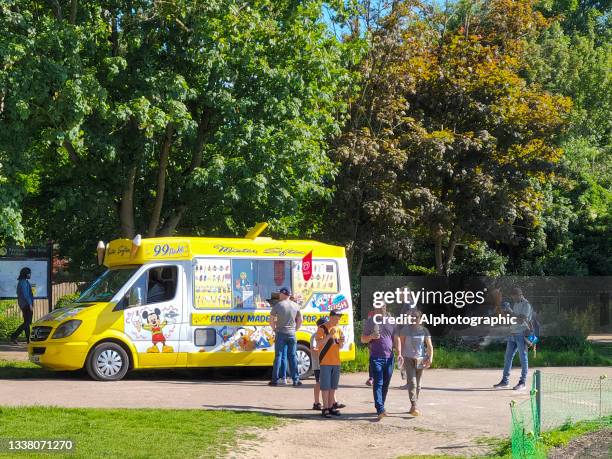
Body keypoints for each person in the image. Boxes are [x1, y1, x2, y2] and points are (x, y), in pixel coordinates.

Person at [361, 303, 402, 420]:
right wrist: (371, 337)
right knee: (378, 383)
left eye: (383, 306)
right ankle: (380, 409)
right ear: (375, 309)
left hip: (389, 358)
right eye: (379, 307)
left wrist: (399, 353)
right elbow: (363, 339)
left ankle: (381, 406)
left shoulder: (391, 321)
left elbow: (396, 338)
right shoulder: (370, 322)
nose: (382, 309)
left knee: (385, 384)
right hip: (376, 357)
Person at [494, 287, 532, 391]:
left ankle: (522, 383)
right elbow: (514, 319)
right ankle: (505, 381)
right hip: (512, 334)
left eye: (515, 297)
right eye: (512, 297)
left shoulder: (526, 305)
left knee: (523, 359)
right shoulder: (515, 303)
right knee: (507, 358)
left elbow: (521, 320)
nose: (513, 299)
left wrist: (510, 310)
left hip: (522, 335)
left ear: (520, 295)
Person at [399, 308, 433, 416]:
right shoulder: (405, 330)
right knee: (412, 382)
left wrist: (430, 358)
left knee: (418, 385)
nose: (414, 320)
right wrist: (401, 358)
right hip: (408, 359)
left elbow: (429, 346)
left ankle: (414, 404)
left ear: (420, 319)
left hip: (420, 360)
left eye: (416, 318)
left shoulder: (424, 330)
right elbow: (402, 343)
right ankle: (414, 405)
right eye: (412, 318)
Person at [269, 287, 302, 387]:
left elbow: (271, 320)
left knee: (278, 356)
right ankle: (295, 380)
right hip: (292, 334)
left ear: (284, 294)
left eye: (280, 293)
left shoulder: (278, 305)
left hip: (280, 333)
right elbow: (300, 320)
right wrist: (295, 329)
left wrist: (274, 329)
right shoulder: (296, 305)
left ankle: (274, 380)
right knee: (292, 357)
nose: (279, 295)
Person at [316, 310, 345, 418]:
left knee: (333, 387)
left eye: (339, 318)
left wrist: (341, 342)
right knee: (325, 387)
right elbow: (318, 344)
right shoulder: (322, 328)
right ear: (331, 317)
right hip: (325, 361)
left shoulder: (339, 329)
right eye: (336, 318)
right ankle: (325, 408)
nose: (338, 320)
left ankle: (331, 407)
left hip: (336, 361)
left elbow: (340, 346)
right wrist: (329, 336)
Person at [11, 267, 34, 344]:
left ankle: (28, 340)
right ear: (26, 274)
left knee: (26, 322)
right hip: (26, 304)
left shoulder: (23, 282)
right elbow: (25, 295)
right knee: (28, 322)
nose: (30, 275)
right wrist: (30, 304)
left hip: (24, 304)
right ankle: (14, 336)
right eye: (29, 273)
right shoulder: (23, 282)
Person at [311, 316, 327, 410]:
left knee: (328, 384)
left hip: (326, 363)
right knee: (319, 382)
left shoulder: (325, 336)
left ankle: (332, 402)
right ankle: (316, 402)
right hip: (318, 364)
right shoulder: (315, 336)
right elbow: (313, 350)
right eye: (324, 325)